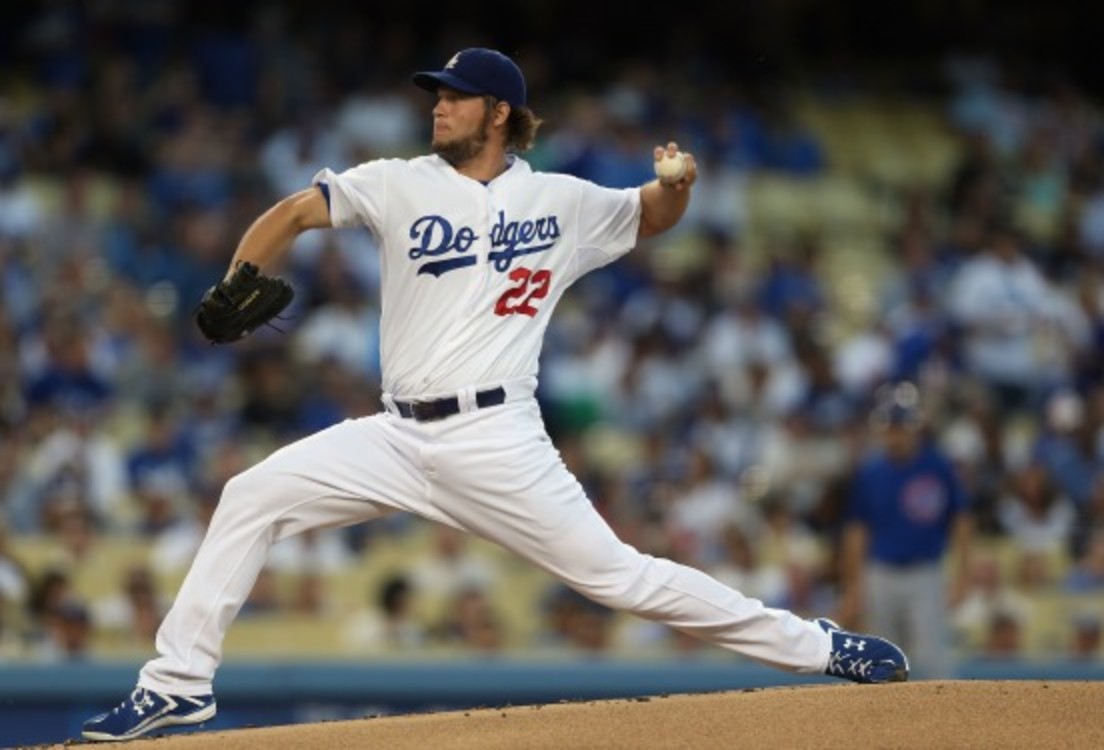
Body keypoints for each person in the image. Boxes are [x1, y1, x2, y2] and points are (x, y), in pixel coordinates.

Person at [82, 47, 908, 742]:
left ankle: (817, 646)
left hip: (497, 439)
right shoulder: (399, 182)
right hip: (397, 438)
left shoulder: (560, 201)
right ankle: (179, 683)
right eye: (435, 97)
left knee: (621, 578)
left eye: (454, 98)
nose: (437, 108)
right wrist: (240, 274)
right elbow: (298, 211)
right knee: (251, 495)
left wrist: (678, 185)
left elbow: (648, 217)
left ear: (500, 113)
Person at [838, 383, 972, 680]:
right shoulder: (872, 472)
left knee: (931, 659)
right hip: (881, 573)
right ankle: (886, 724)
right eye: (890, 428)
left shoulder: (937, 467)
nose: (895, 435)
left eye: (900, 427)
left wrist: (964, 575)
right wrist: (853, 586)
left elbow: (961, 521)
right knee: (881, 658)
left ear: (914, 428)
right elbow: (857, 532)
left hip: (925, 572)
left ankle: (941, 724)